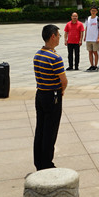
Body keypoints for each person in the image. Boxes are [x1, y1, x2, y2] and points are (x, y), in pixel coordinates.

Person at [33, 24, 67, 170]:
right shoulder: (55, 57)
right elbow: (64, 81)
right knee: (50, 131)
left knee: (40, 129)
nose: (59, 38)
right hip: (52, 96)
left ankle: (39, 162)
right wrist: (61, 91)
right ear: (53, 36)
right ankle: (47, 163)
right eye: (59, 35)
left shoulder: (38, 54)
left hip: (40, 93)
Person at [83, 6, 99, 71]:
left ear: (96, 12)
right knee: (90, 52)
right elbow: (86, 28)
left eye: (94, 11)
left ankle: (95, 65)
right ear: (90, 11)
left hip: (95, 38)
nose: (93, 12)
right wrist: (85, 36)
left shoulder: (98, 19)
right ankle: (91, 65)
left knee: (95, 52)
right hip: (88, 38)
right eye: (92, 10)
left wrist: (98, 38)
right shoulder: (88, 18)